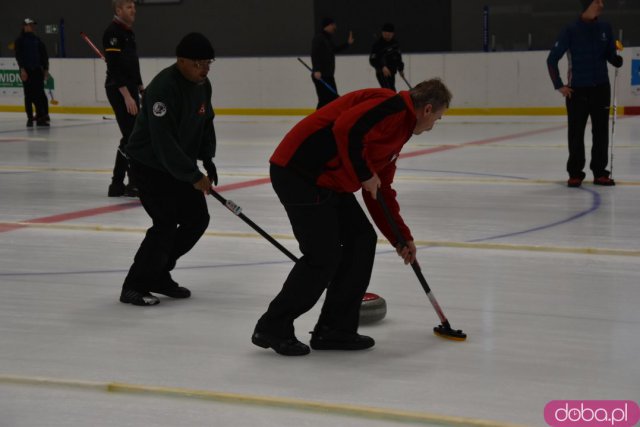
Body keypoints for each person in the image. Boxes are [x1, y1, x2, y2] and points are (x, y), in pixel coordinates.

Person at [252, 78, 452, 356]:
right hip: (300, 172)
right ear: (427, 110)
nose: (433, 126)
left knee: (361, 239)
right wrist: (363, 174)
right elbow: (347, 128)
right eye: (437, 119)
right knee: (323, 255)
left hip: (329, 181)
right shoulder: (390, 106)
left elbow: (380, 191)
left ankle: (335, 329)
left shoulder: (402, 128)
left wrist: (400, 237)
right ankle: (273, 326)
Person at [119, 32, 218, 306]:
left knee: (197, 219)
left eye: (209, 62)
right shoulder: (163, 88)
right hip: (149, 165)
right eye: (199, 63)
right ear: (181, 61)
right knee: (164, 224)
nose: (205, 68)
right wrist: (194, 176)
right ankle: (134, 285)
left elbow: (205, 122)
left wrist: (207, 158)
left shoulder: (202, 84)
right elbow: (164, 143)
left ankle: (159, 273)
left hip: (178, 164)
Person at [547, 0, 623, 187]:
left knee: (601, 132)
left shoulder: (605, 27)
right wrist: (559, 85)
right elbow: (552, 59)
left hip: (601, 88)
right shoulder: (570, 29)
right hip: (577, 90)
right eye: (598, 1)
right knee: (576, 133)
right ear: (589, 4)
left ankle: (600, 172)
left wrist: (616, 59)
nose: (602, 3)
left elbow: (610, 54)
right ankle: (575, 172)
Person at [103, 0, 144, 197]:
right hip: (118, 90)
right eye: (129, 7)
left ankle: (117, 184)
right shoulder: (112, 33)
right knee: (132, 137)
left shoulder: (128, 32)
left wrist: (140, 86)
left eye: (133, 7)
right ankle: (132, 182)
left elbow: (131, 63)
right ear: (118, 10)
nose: (133, 10)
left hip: (130, 88)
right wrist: (127, 96)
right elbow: (114, 67)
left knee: (130, 136)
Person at [310, 17, 354, 109]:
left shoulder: (327, 39)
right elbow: (315, 53)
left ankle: (329, 121)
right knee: (324, 100)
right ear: (328, 25)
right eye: (333, 25)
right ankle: (317, 121)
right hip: (320, 75)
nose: (335, 28)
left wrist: (347, 44)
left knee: (333, 99)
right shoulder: (319, 38)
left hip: (328, 74)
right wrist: (317, 70)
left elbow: (334, 50)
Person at [14, 18, 50, 127]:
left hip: (37, 71)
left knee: (39, 94)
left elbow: (44, 55)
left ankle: (41, 117)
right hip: (27, 71)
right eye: (30, 25)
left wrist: (46, 69)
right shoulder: (20, 40)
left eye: (33, 25)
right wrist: (22, 69)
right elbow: (19, 56)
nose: (32, 26)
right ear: (24, 26)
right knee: (28, 95)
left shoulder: (37, 40)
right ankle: (29, 118)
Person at [369, 23, 405, 92]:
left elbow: (398, 58)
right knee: (388, 91)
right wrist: (382, 67)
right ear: (382, 33)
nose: (387, 34)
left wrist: (401, 69)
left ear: (393, 34)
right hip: (382, 73)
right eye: (385, 32)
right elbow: (372, 60)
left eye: (389, 33)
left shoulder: (395, 44)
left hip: (392, 72)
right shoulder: (377, 45)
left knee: (392, 90)